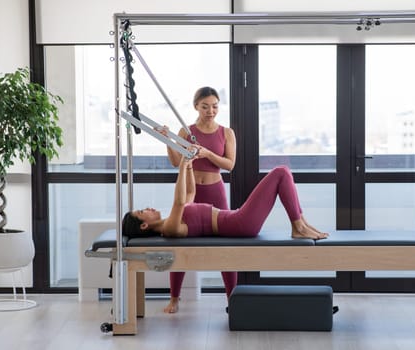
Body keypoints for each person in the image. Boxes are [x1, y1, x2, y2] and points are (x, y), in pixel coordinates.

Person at [122, 156, 329, 263]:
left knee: (283, 173)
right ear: (144, 225)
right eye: (142, 211)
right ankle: (298, 226)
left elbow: (189, 194)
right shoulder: (169, 228)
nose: (148, 208)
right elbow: (178, 202)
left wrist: (190, 166)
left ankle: (301, 224)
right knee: (281, 172)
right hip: (240, 223)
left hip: (237, 218)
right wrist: (182, 167)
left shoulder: (171, 220)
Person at [161, 87, 237, 314]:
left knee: (227, 246)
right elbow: (176, 162)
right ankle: (174, 298)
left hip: (216, 191)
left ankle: (232, 298)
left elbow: (230, 164)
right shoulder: (186, 132)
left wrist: (207, 154)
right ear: (196, 106)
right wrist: (167, 141)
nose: (210, 110)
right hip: (190, 191)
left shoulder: (227, 133)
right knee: (179, 244)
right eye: (205, 106)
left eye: (214, 106)